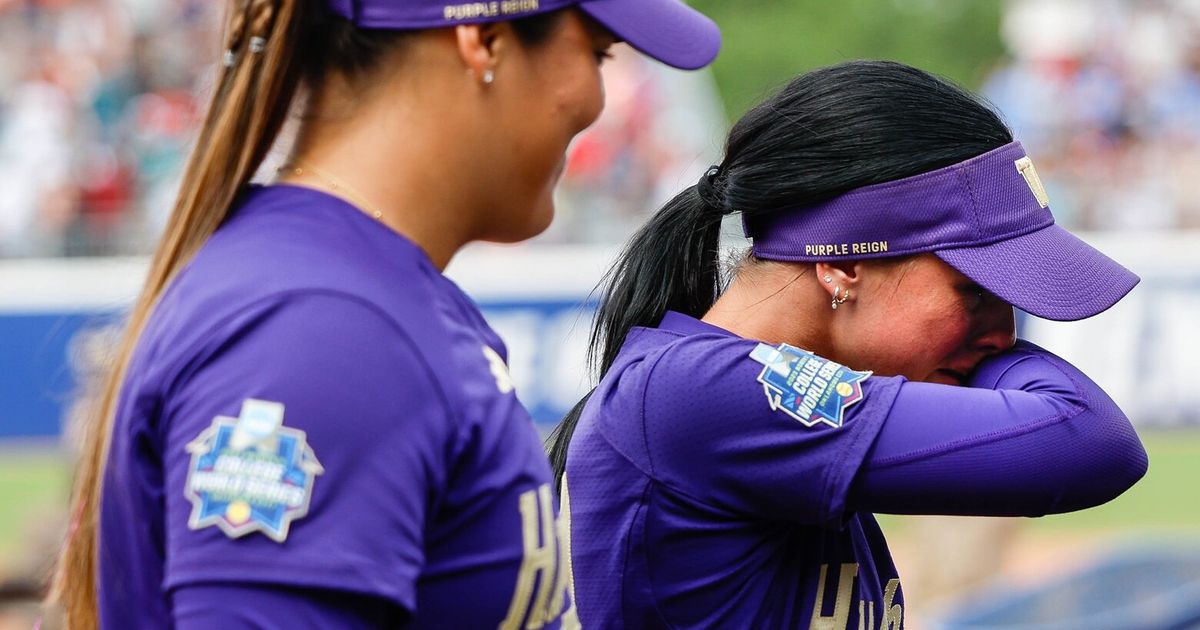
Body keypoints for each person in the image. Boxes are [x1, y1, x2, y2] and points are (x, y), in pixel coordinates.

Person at [50, 0, 719, 627]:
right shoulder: (325, 329)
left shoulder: (351, 294)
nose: (599, 102)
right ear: (483, 39)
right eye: (598, 55)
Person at [546, 60, 1149, 629]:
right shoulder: (699, 391)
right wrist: (995, 367)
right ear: (840, 263)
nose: (1000, 335)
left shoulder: (740, 392)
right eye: (973, 292)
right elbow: (1090, 439)